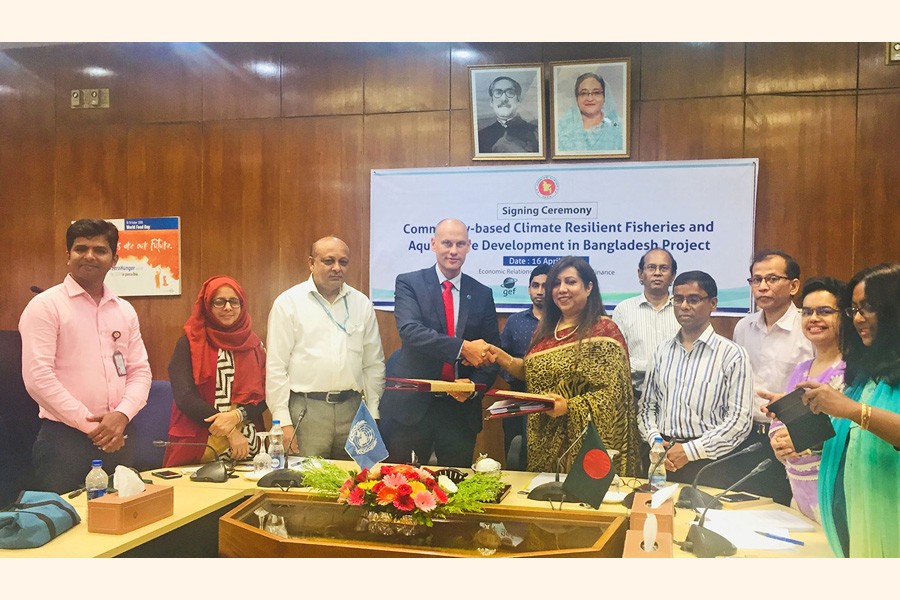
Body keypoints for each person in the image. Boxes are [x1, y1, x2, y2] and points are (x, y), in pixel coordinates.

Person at [765, 263, 900, 557]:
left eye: (869, 307)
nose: (859, 318)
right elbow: (842, 438)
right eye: (854, 310)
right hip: (849, 508)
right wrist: (792, 414)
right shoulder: (864, 372)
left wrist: (852, 410)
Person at [19, 218, 152, 493]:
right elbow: (38, 378)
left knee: (126, 525)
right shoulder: (45, 307)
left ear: (114, 259)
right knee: (68, 529)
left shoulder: (124, 310)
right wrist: (92, 426)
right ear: (68, 256)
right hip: (64, 442)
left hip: (120, 436)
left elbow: (140, 371)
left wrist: (122, 415)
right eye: (81, 248)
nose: (89, 256)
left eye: (100, 250)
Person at [487, 256, 640, 477]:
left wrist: (568, 406)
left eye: (570, 282)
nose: (562, 289)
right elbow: (533, 372)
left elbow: (612, 397)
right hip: (544, 438)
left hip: (586, 442)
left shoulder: (604, 331)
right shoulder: (546, 330)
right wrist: (502, 357)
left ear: (588, 287)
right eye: (556, 283)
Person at [379, 218, 500, 468]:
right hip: (412, 409)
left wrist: (472, 388)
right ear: (433, 244)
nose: (453, 251)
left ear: (469, 246)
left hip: (459, 410)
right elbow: (411, 331)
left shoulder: (482, 293)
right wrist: (463, 348)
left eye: (460, 244)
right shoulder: (409, 283)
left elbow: (490, 355)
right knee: (402, 490)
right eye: (446, 243)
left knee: (456, 487)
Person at [266, 236, 385, 459]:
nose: (337, 268)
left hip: (353, 409)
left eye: (343, 262)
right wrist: (282, 420)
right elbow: (276, 367)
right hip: (307, 410)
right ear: (311, 263)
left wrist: (372, 413)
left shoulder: (361, 304)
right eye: (328, 261)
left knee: (356, 485)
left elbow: (373, 364)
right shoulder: (289, 303)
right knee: (308, 483)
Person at [638, 271, 755, 488]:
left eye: (693, 299)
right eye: (678, 299)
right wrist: (655, 440)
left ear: (712, 303)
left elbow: (739, 421)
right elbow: (647, 407)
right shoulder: (661, 351)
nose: (683, 306)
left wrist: (689, 451)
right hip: (661, 456)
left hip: (709, 462)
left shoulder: (732, 354)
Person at [760, 277, 846, 523]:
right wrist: (779, 441)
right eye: (807, 312)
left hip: (835, 492)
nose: (814, 319)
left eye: (825, 311)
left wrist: (802, 438)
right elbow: (781, 423)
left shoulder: (851, 370)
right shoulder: (801, 370)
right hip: (798, 490)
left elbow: (849, 430)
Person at [733, 249, 813, 505]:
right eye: (756, 280)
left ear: (794, 286)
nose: (762, 287)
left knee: (787, 512)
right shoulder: (743, 327)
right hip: (747, 437)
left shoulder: (807, 328)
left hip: (790, 437)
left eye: (772, 279)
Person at [163, 276, 268, 467]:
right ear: (207, 305)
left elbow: (265, 394)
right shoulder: (189, 342)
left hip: (247, 446)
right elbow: (185, 397)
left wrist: (237, 416)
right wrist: (229, 431)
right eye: (219, 301)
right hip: (200, 444)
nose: (227, 307)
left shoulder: (253, 345)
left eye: (234, 301)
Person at [611, 248, 680, 402]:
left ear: (673, 276)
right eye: (651, 268)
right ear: (640, 274)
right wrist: (657, 366)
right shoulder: (624, 310)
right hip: (636, 397)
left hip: (677, 399)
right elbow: (619, 360)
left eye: (664, 268)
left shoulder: (682, 308)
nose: (657, 273)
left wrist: (643, 367)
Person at [498, 263, 549, 465]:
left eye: (545, 286)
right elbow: (501, 357)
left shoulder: (563, 322)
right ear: (528, 289)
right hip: (518, 395)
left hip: (551, 397)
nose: (540, 291)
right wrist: (517, 376)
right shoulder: (515, 321)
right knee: (515, 449)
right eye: (535, 285)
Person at [555, 73, 624, 153]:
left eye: (596, 93)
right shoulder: (562, 129)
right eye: (584, 93)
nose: (590, 98)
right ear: (576, 98)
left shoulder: (619, 127)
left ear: (604, 97)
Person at [478, 76, 539, 154]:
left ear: (518, 100)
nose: (504, 99)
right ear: (491, 102)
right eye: (498, 93)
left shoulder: (536, 133)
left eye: (510, 92)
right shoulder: (481, 137)